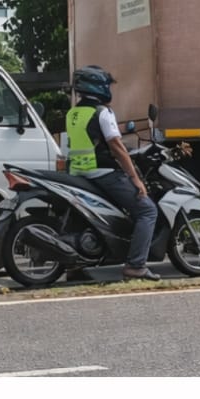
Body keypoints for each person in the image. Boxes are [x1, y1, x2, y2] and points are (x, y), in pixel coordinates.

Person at [65, 65, 160, 281]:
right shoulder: (103, 112)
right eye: (107, 85)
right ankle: (136, 265)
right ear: (98, 86)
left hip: (78, 173)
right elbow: (117, 147)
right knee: (147, 210)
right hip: (102, 173)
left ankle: (74, 266)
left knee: (82, 217)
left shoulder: (73, 113)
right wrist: (136, 179)